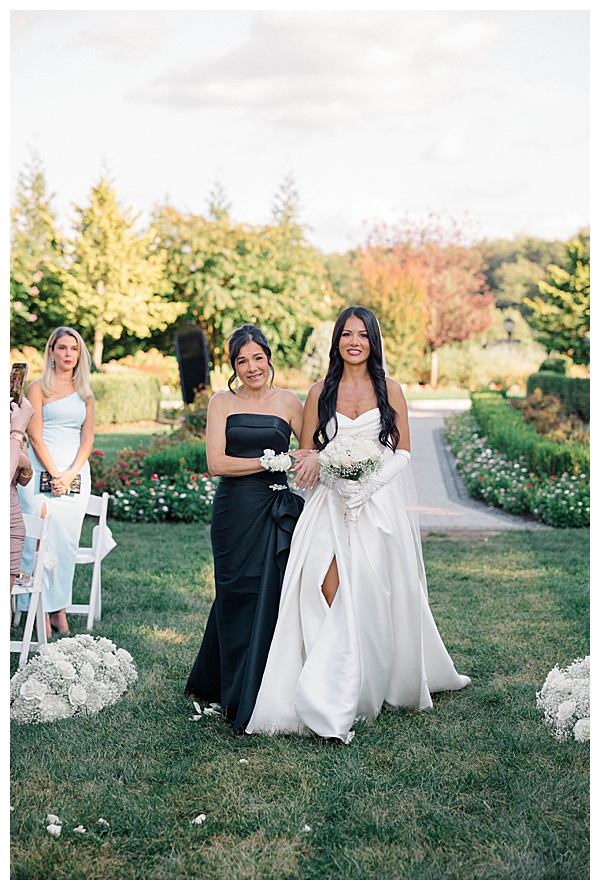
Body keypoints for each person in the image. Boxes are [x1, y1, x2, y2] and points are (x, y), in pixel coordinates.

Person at [246, 306, 470, 743]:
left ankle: (369, 680)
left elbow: (402, 452)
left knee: (372, 589)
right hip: (329, 504)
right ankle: (329, 684)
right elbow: (308, 453)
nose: (354, 342)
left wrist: (367, 488)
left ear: (373, 342)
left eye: (363, 335)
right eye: (347, 334)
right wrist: (328, 471)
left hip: (377, 505)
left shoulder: (390, 389)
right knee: (323, 584)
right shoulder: (319, 392)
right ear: (337, 341)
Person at [184, 324, 307, 733]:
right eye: (242, 361)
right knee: (235, 592)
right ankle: (229, 685)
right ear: (233, 366)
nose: (252, 367)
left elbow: (308, 452)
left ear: (269, 358)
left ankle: (264, 685)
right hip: (234, 511)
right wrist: (268, 462)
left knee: (269, 594)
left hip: (275, 510)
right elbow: (216, 463)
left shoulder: (290, 402)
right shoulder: (222, 402)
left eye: (258, 358)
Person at [18, 326, 94, 636]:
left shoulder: (85, 393)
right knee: (37, 541)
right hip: (40, 472)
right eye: (62, 347)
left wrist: (71, 473)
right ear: (51, 351)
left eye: (73, 349)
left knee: (65, 544)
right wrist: (53, 472)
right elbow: (34, 436)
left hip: (75, 475)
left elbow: (88, 439)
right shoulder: (37, 388)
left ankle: (59, 610)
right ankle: (35, 610)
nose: (68, 354)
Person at [10, 396, 36, 594]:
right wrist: (17, 432)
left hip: (12, 521)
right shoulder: (16, 428)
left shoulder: (14, 421)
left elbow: (23, 480)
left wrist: (26, 466)